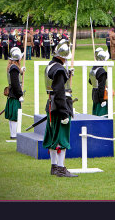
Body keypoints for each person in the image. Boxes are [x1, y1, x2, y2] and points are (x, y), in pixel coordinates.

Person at [43, 39, 77, 177]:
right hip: (59, 106)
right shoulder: (59, 70)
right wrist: (64, 113)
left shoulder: (51, 66)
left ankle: (54, 166)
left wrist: (67, 75)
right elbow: (60, 92)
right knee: (61, 138)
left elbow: (56, 84)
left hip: (51, 105)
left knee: (53, 136)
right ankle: (61, 168)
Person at [5, 47, 26, 139]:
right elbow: (15, 83)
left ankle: (13, 134)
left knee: (13, 115)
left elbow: (16, 77)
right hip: (15, 93)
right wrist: (20, 95)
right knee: (14, 115)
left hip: (13, 93)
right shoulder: (14, 68)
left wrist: (21, 71)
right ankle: (14, 135)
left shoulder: (13, 67)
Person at [89, 48, 110, 117]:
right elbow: (101, 86)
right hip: (101, 96)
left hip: (94, 93)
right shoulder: (101, 71)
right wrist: (102, 100)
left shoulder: (93, 68)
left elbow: (90, 81)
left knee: (95, 114)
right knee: (101, 116)